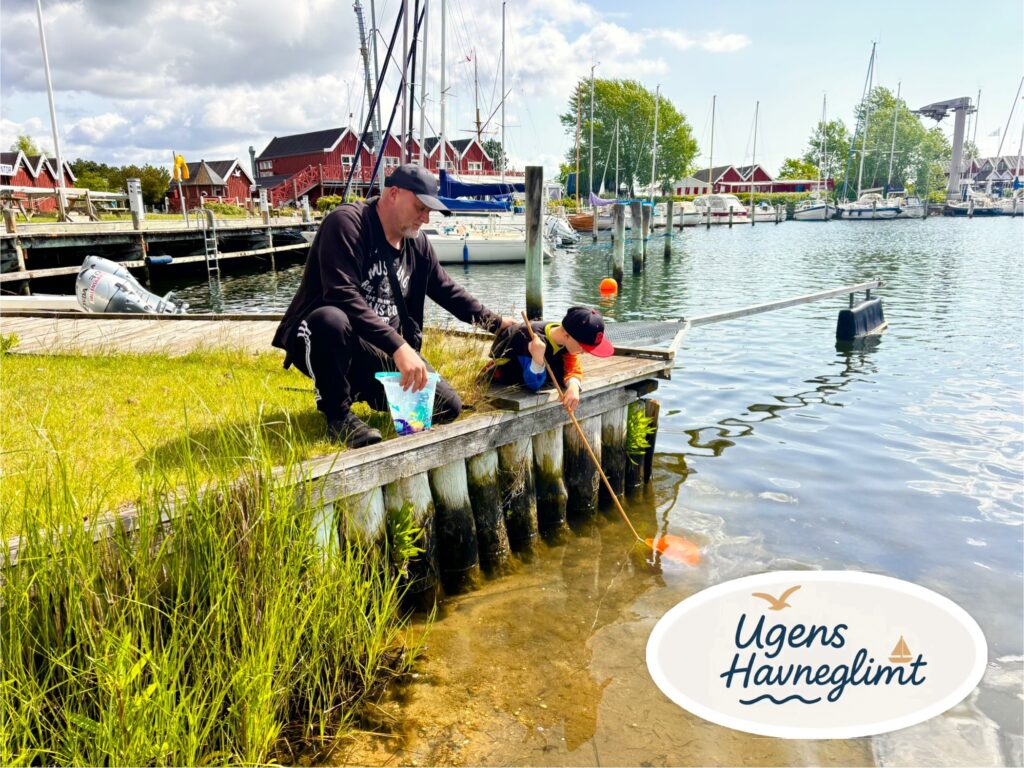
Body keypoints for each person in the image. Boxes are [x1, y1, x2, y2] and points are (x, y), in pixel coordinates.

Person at [272, 164, 514, 447]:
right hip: (325, 340)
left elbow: (447, 291)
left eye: (430, 211)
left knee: (447, 407)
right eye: (420, 208)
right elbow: (341, 294)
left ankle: (359, 390)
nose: (425, 218)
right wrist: (400, 347)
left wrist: (497, 324)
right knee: (330, 320)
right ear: (394, 193)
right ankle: (338, 416)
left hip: (379, 349)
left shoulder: (418, 244)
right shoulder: (347, 224)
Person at [484, 306, 615, 413]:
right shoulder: (529, 338)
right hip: (507, 377)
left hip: (537, 372)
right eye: (583, 346)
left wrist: (574, 386)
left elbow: (573, 367)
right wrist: (537, 358)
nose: (586, 352)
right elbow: (533, 384)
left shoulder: (565, 337)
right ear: (567, 335)